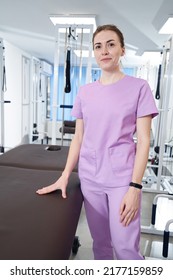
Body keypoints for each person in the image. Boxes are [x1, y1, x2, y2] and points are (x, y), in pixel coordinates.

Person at [36, 24, 158, 260]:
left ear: (122, 50)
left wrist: (135, 187)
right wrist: (64, 175)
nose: (104, 51)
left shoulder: (139, 88)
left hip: (122, 179)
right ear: (94, 52)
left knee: (125, 248)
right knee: (100, 245)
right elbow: (79, 138)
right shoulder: (85, 92)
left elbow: (144, 141)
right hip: (90, 177)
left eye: (111, 44)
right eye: (98, 46)